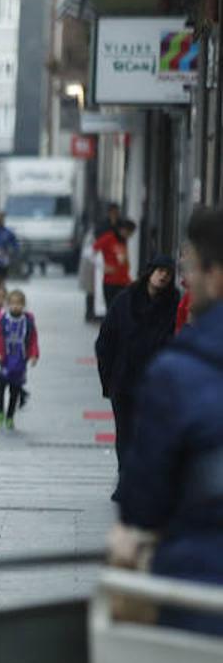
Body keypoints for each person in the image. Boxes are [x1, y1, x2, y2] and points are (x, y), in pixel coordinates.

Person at [108, 205, 223, 634]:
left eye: (192, 267)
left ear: (215, 275)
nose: (186, 280)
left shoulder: (180, 374)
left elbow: (143, 503)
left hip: (201, 602)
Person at [95, 255, 180, 493]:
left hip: (157, 383)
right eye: (159, 270)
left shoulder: (174, 304)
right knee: (125, 433)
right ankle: (125, 479)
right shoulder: (126, 300)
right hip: (125, 381)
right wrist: (108, 380)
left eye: (168, 272)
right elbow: (105, 341)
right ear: (149, 272)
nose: (163, 275)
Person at [0, 288, 39, 431]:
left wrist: (34, 355)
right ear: (7, 304)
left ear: (24, 305)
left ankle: (10, 416)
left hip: (20, 361)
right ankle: (1, 412)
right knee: (1, 387)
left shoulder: (28, 321)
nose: (16, 306)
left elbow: (33, 339)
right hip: (5, 359)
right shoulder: (2, 319)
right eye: (13, 303)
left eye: (19, 304)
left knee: (15, 390)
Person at [93, 218, 137, 311]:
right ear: (123, 229)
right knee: (112, 311)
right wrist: (102, 266)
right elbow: (90, 251)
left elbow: (123, 261)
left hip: (124, 281)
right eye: (129, 233)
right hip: (111, 282)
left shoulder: (123, 241)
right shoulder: (108, 238)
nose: (129, 236)